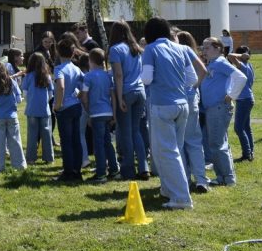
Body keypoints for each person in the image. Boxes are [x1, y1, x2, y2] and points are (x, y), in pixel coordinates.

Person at [141, 17, 206, 210]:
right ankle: (169, 190)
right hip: (182, 105)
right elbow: (191, 78)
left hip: (162, 105)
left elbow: (146, 78)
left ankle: (181, 198)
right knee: (175, 150)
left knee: (167, 152)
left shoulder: (150, 49)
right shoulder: (183, 49)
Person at [198, 37, 247, 187]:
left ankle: (227, 178)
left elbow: (240, 77)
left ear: (218, 48)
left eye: (207, 48)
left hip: (218, 108)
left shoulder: (220, 62)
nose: (203, 51)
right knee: (218, 143)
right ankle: (223, 177)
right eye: (203, 48)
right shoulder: (213, 63)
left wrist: (231, 95)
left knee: (217, 144)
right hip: (213, 108)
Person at [109, 21, 148, 180]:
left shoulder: (115, 49)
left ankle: (128, 169)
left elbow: (118, 75)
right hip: (140, 91)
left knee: (125, 132)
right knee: (136, 130)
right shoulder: (136, 49)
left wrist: (119, 98)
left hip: (126, 92)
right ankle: (144, 166)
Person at [175, 31, 210, 193]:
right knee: (195, 141)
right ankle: (201, 179)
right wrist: (194, 87)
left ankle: (184, 179)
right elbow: (203, 71)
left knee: (180, 143)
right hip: (192, 98)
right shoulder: (191, 52)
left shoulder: (174, 52)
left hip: (179, 98)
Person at [80, 48, 118, 183]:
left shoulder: (88, 77)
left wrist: (88, 112)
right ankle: (114, 169)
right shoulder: (108, 76)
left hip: (96, 113)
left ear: (90, 61)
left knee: (99, 144)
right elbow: (113, 96)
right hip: (108, 112)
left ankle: (101, 173)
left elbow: (84, 97)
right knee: (107, 142)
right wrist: (114, 114)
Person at [53, 39, 84, 182]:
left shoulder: (59, 69)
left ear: (58, 52)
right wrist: (76, 96)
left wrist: (58, 105)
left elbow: (60, 86)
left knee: (66, 141)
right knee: (76, 140)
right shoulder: (76, 69)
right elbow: (83, 86)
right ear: (73, 54)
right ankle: (77, 170)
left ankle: (68, 172)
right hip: (76, 106)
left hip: (64, 109)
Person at [0, 58, 26, 173]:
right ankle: (20, 165)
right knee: (15, 142)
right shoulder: (12, 82)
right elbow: (19, 100)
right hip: (12, 117)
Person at [22, 52, 54, 164]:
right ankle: (48, 158)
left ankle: (31, 158)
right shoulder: (47, 77)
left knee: (32, 135)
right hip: (45, 110)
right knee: (46, 134)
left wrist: (31, 101)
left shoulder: (28, 76)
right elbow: (51, 94)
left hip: (31, 109)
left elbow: (25, 94)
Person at [232, 46, 256, 162]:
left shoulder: (242, 65)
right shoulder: (249, 66)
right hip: (248, 98)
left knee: (238, 128)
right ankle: (251, 152)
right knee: (246, 127)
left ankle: (247, 154)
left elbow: (230, 56)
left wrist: (240, 56)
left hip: (244, 99)